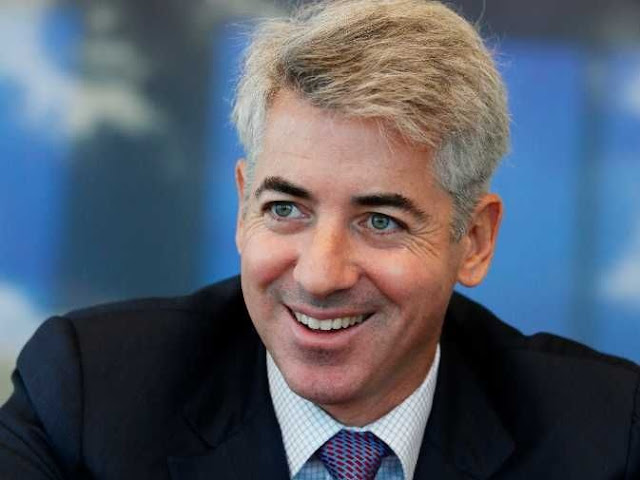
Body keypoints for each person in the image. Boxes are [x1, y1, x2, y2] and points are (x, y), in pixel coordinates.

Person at [1, 0, 638, 478]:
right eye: (286, 209)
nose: (319, 275)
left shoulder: (610, 435)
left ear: (473, 239)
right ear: (244, 205)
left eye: (380, 221)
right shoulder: (86, 399)